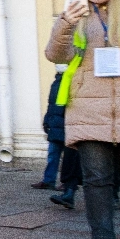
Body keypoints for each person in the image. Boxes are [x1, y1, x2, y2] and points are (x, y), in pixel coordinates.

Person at [44, 0, 120, 239]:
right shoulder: (77, 18)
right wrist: (65, 21)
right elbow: (55, 54)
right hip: (88, 111)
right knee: (97, 182)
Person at [45, 67, 84, 209]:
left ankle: (114, 196)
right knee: (71, 155)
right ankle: (69, 191)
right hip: (76, 120)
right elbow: (55, 103)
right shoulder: (68, 74)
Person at [34, 66, 67, 190]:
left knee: (65, 156)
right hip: (56, 124)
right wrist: (47, 120)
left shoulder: (69, 81)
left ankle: (66, 182)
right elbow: (51, 104)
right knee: (53, 154)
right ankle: (49, 180)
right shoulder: (56, 83)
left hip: (64, 124)